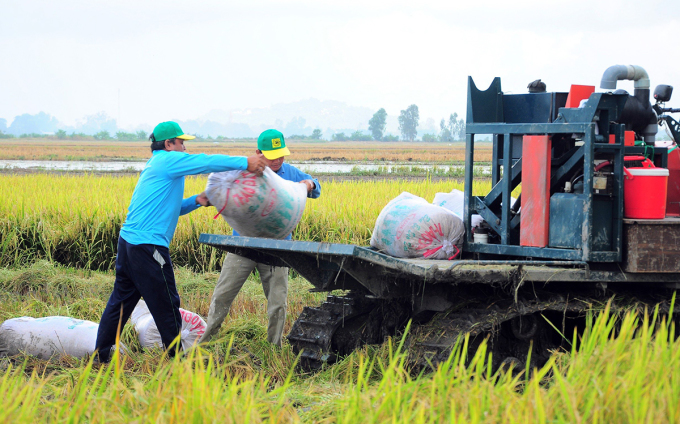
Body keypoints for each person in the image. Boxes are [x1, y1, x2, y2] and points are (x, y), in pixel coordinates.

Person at [94, 121, 268, 362]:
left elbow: (171, 209)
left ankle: (100, 355)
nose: (184, 147)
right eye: (181, 142)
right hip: (148, 248)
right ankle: (177, 360)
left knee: (120, 304)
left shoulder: (158, 165)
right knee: (166, 303)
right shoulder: (167, 160)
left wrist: (196, 200)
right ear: (168, 144)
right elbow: (204, 162)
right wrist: (245, 162)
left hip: (129, 245)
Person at [199, 129, 321, 347]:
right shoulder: (241, 172)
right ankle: (206, 343)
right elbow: (219, 189)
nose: (278, 160)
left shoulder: (289, 173)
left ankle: (274, 347)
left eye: (281, 154)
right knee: (222, 295)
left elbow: (315, 187)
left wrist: (309, 185)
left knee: (277, 302)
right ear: (258, 152)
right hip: (243, 246)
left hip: (277, 249)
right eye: (272, 156)